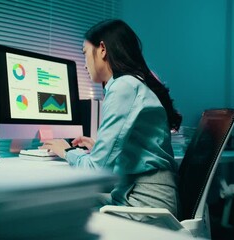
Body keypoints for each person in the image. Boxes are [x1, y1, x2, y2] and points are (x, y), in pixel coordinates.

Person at [40, 19, 182, 225]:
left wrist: (67, 151)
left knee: (57, 211)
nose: (85, 63)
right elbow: (139, 153)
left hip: (146, 206)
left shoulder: (124, 86)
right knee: (62, 202)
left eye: (85, 54)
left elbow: (96, 172)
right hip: (137, 196)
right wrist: (98, 148)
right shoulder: (132, 83)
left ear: (103, 49)